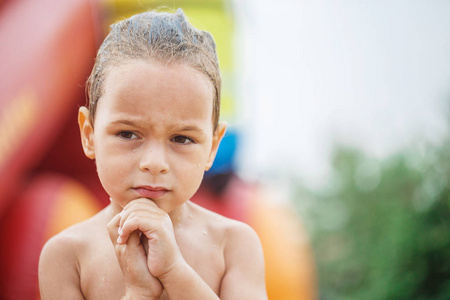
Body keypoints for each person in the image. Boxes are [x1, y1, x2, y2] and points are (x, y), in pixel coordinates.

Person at [38, 9, 267, 300]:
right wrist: (138, 293)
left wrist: (174, 271)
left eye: (182, 138)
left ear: (212, 146)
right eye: (127, 133)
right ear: (89, 135)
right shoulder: (68, 254)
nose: (154, 163)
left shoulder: (233, 245)